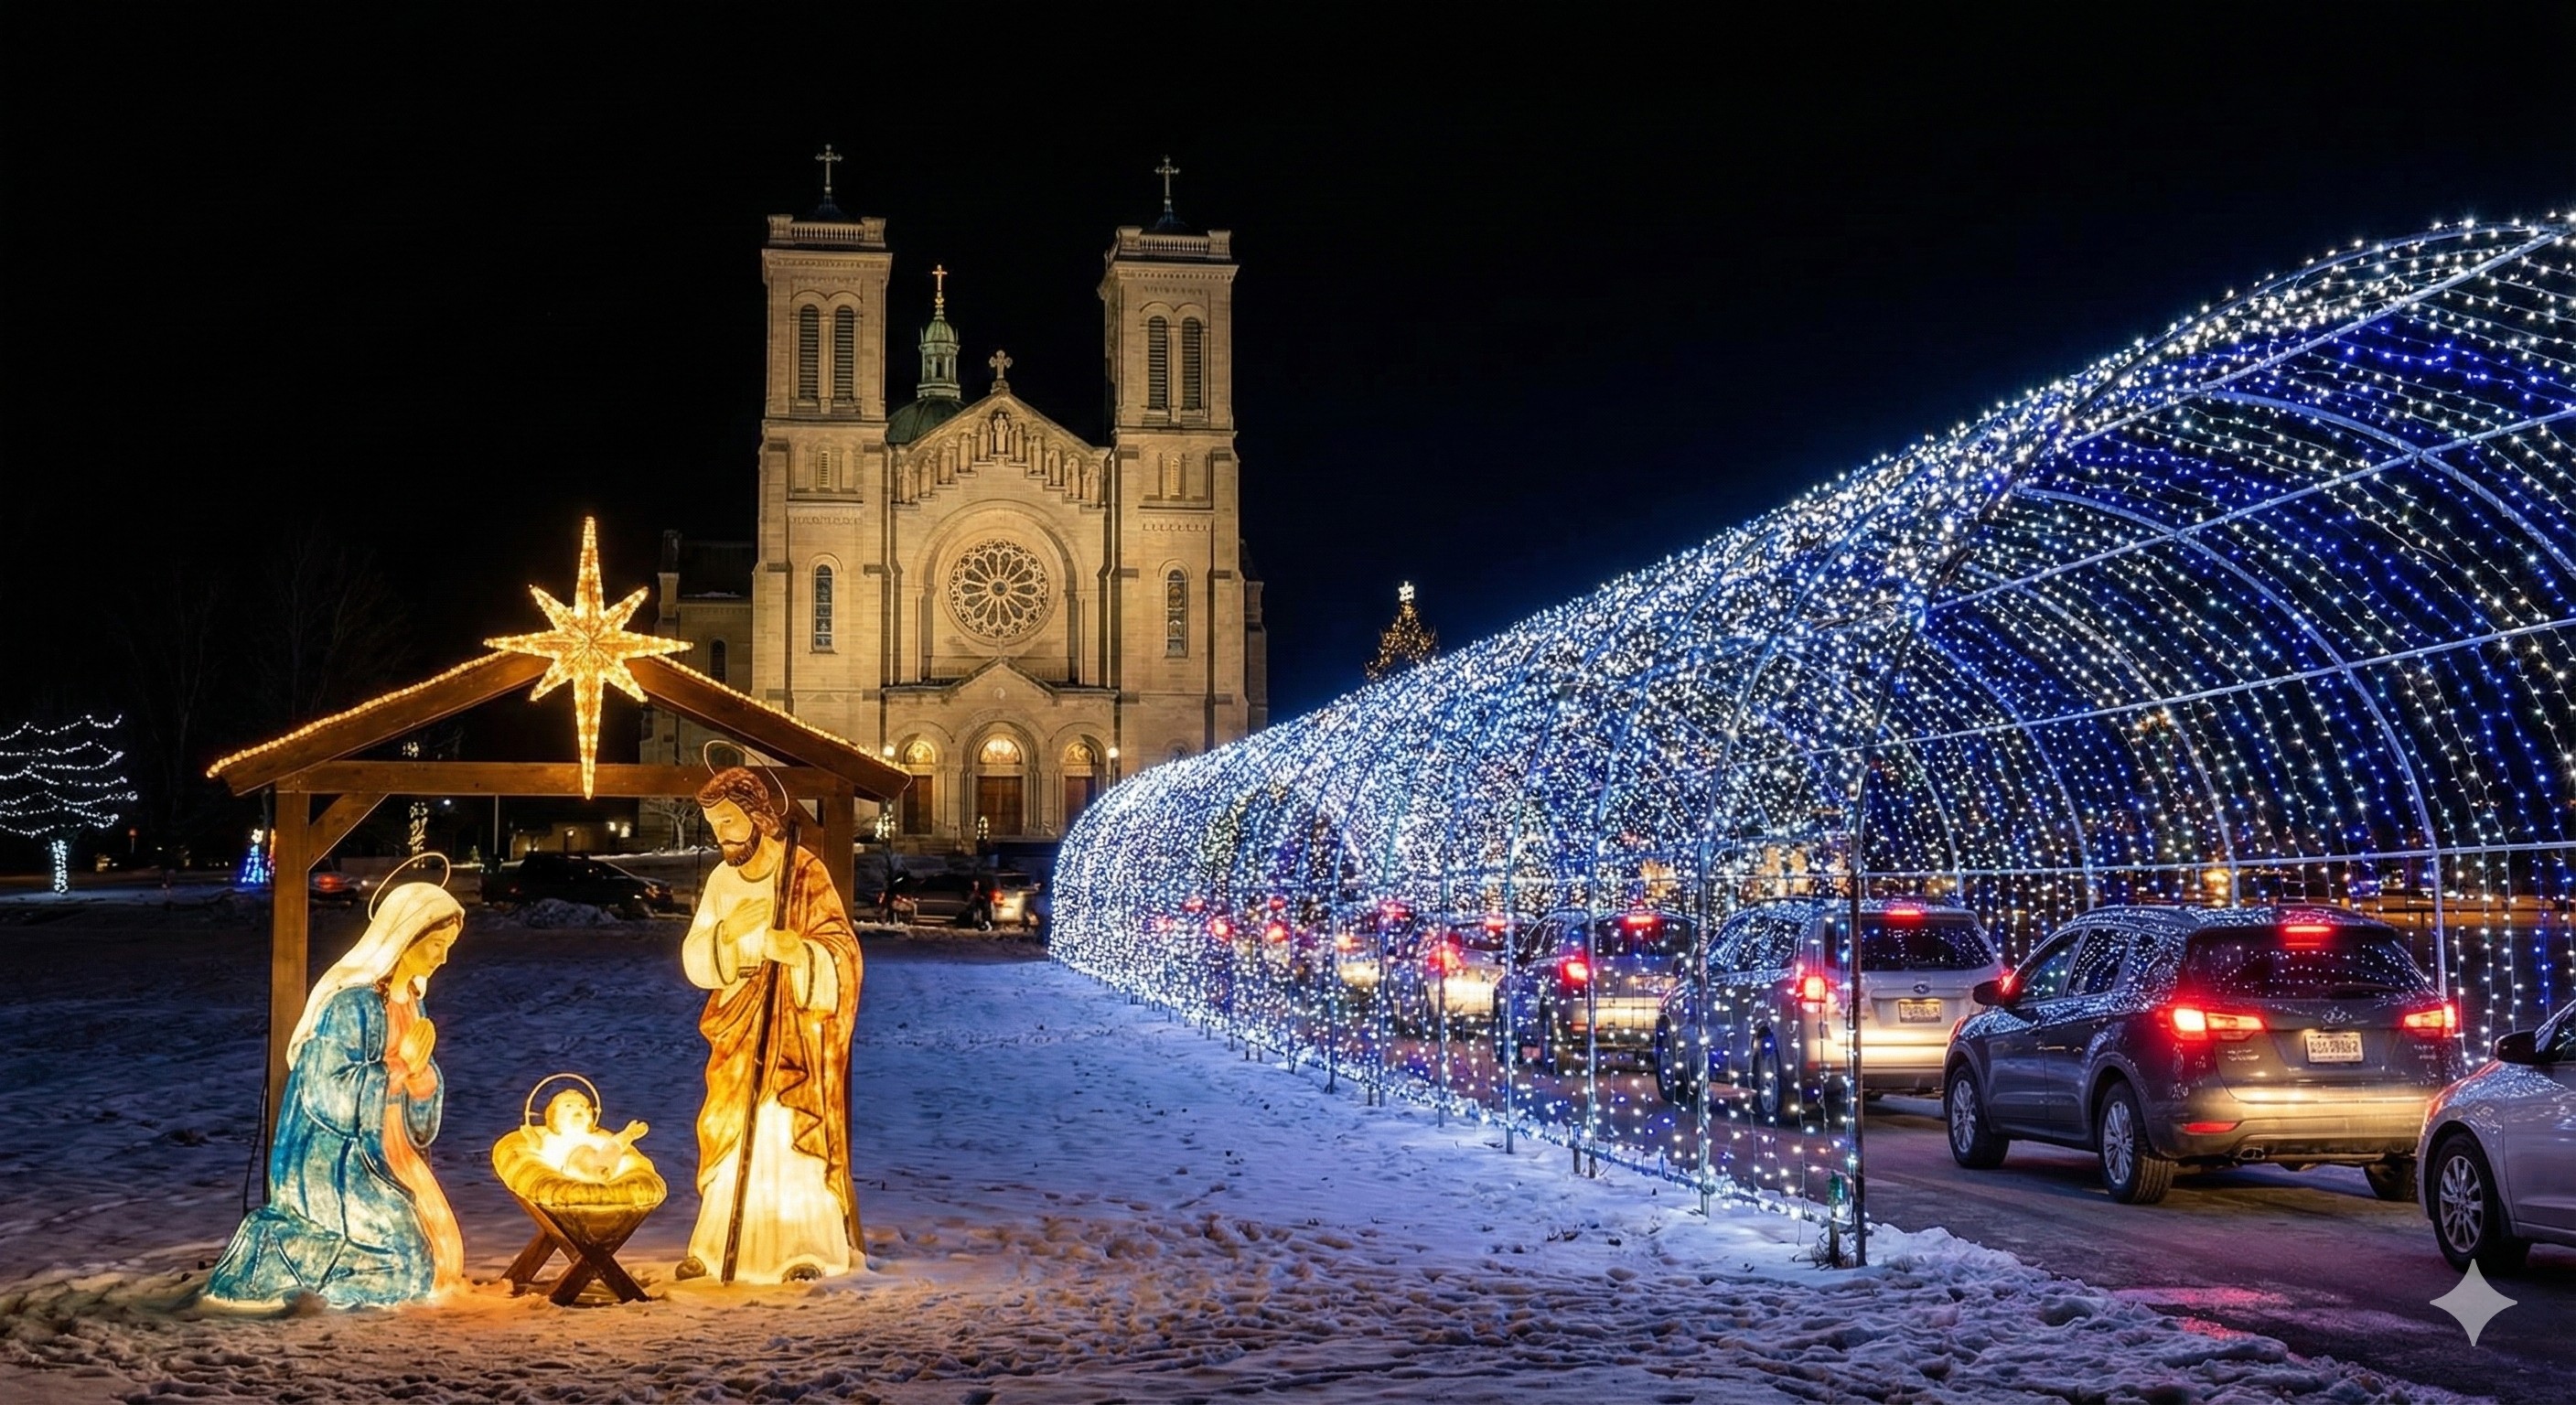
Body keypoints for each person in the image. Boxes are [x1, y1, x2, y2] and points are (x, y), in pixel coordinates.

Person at [200, 882, 467, 1310]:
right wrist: (398, 1070)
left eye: (448, 946)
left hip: (389, 1146)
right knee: (409, 1266)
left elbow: (417, 1078)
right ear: (404, 936)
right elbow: (327, 1089)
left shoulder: (412, 1003)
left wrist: (421, 1079)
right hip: (337, 1158)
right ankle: (279, 1252)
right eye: (436, 944)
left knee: (443, 1259)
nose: (443, 957)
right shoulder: (352, 1006)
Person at [676, 767, 864, 1283]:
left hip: (793, 1034)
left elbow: (843, 953)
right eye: (714, 825)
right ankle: (716, 1247)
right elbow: (695, 956)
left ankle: (803, 1246)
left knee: (786, 1129)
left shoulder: (804, 873)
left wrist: (802, 953)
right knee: (729, 1125)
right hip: (738, 1023)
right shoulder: (721, 879)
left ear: (759, 817)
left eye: (730, 821)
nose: (722, 835)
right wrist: (729, 943)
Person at [533, 1088, 649, 1184]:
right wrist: (531, 1135)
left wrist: (623, 1138)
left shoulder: (596, 1136)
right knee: (583, 1152)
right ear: (553, 1116)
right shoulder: (554, 1137)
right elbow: (537, 1148)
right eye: (568, 1106)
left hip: (603, 1161)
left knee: (612, 1146)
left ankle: (626, 1138)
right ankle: (596, 1173)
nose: (577, 1109)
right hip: (571, 1165)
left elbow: (613, 1145)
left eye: (582, 1106)